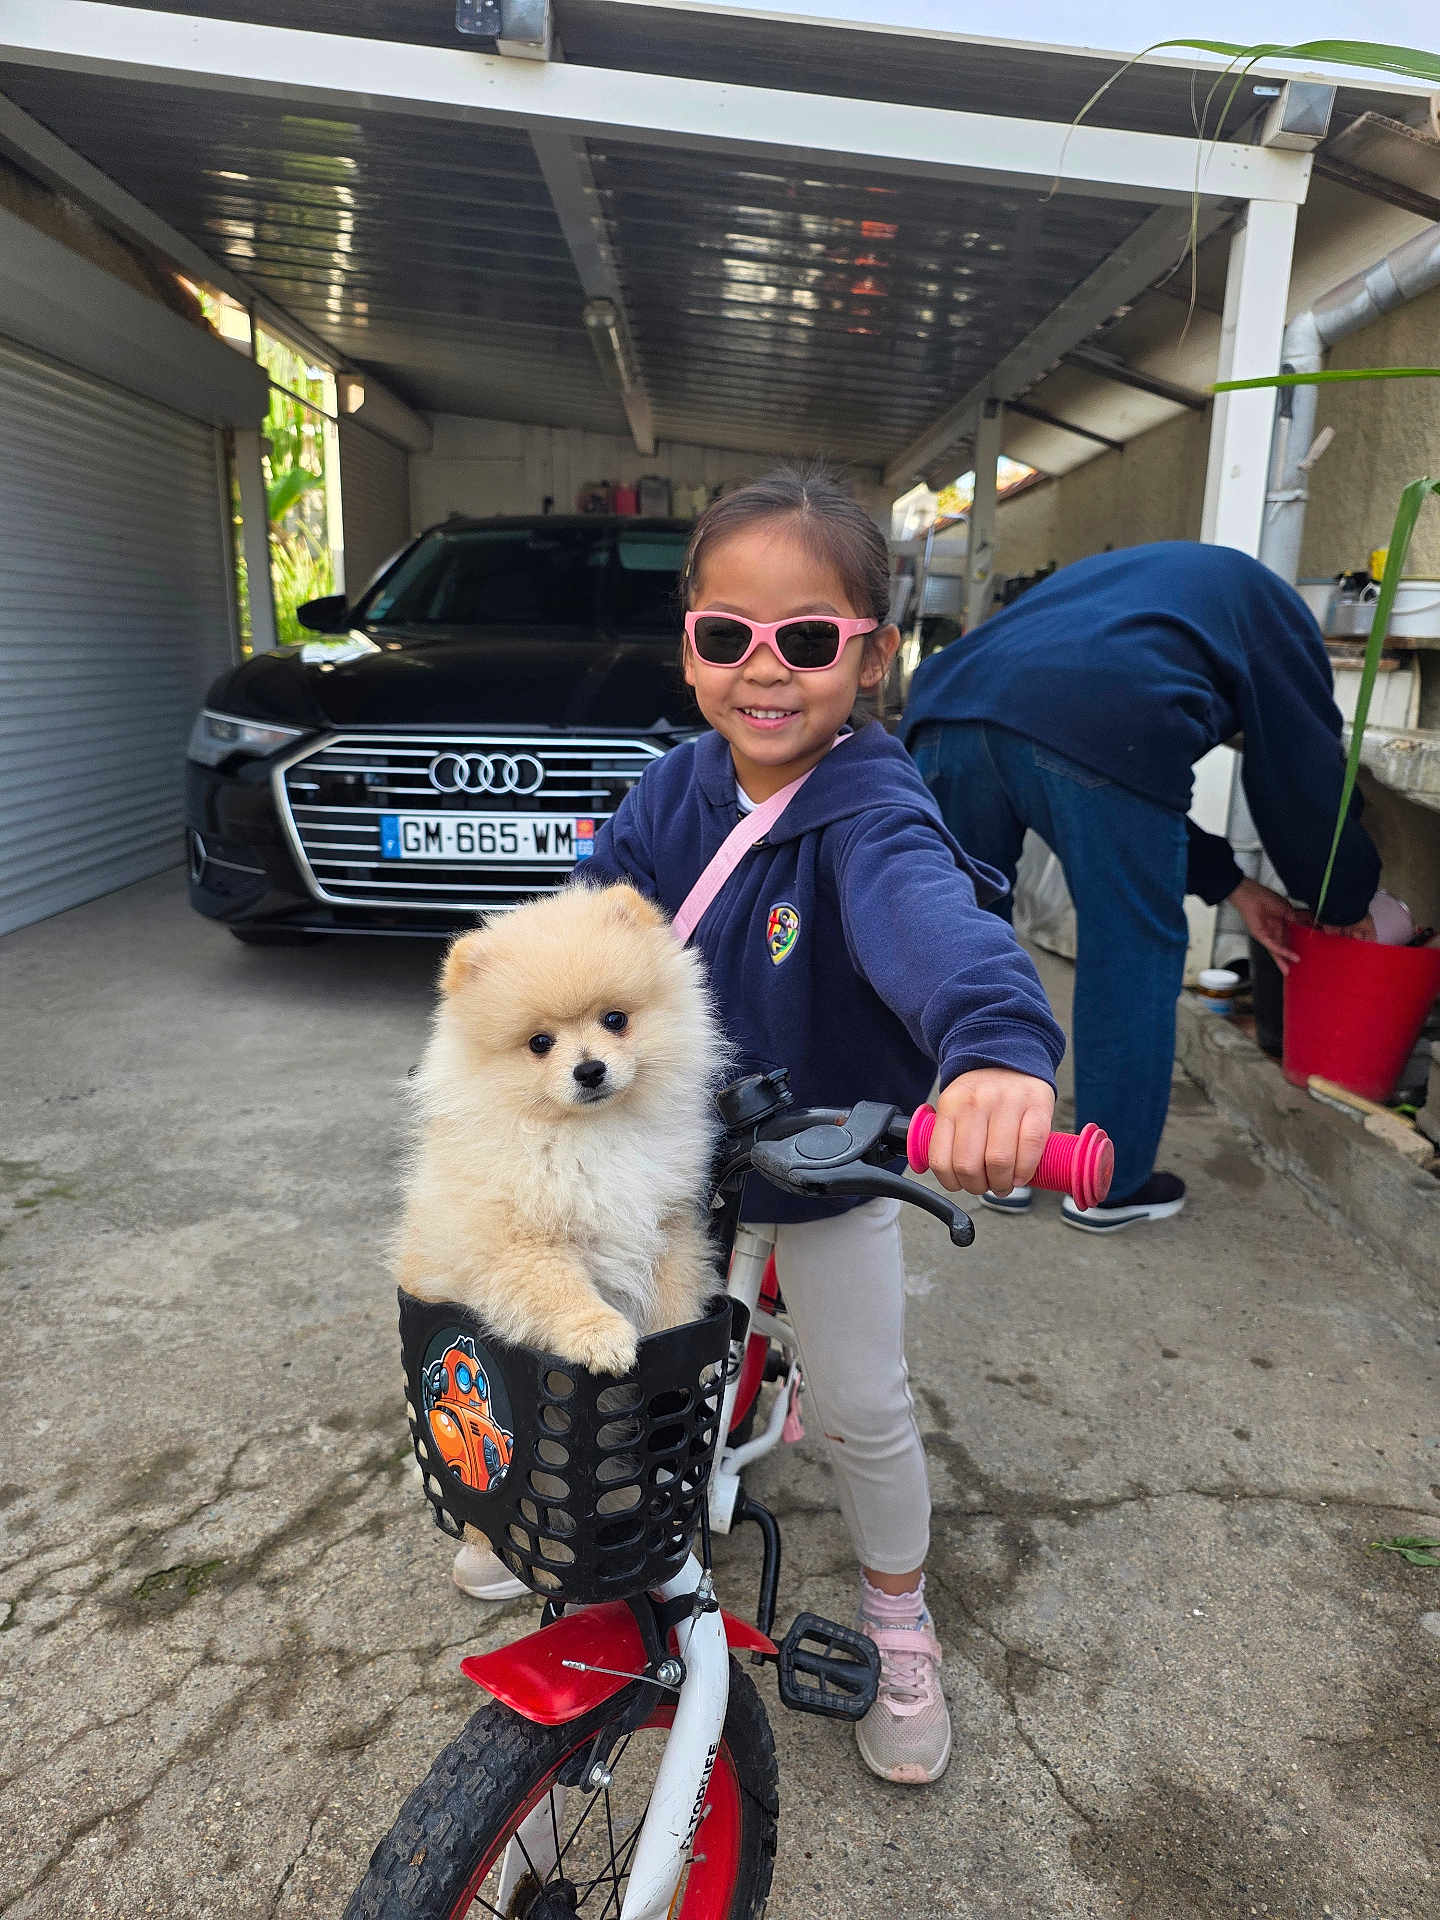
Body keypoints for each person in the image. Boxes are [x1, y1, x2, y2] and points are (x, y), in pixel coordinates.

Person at [455, 466, 1066, 1785]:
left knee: (861, 1402)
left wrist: (994, 1053)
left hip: (830, 1153)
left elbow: (929, 920)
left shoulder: (873, 810)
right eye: (728, 636)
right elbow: (592, 917)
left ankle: (902, 1615)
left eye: (808, 638)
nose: (764, 670)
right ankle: (558, 1503)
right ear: (690, 649)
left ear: (874, 655)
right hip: (678, 1145)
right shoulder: (671, 793)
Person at [900, 540, 1381, 1232]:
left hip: (949, 707)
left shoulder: (1135, 588)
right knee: (1130, 951)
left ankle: (989, 1156)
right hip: (1099, 714)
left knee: (967, 936)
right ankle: (1112, 1184)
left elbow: (1133, 790)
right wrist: (1344, 898)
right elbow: (1300, 778)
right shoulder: (1282, 620)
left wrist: (1235, 887)